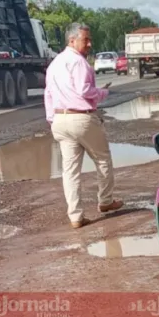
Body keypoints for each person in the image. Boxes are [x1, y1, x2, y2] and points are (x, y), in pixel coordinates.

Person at [43, 22, 124, 229]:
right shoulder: (78, 62)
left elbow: (48, 95)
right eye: (85, 40)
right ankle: (105, 201)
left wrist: (53, 119)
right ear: (72, 40)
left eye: (89, 39)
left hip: (60, 119)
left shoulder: (54, 64)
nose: (89, 44)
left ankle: (75, 216)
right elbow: (84, 91)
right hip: (81, 118)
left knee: (70, 171)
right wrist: (103, 93)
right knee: (103, 159)